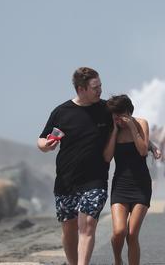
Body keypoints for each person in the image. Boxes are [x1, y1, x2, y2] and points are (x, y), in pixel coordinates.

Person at [37, 67, 112, 265]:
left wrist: (151, 143)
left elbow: (130, 123)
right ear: (81, 89)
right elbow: (41, 140)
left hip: (95, 179)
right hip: (66, 180)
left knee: (87, 225)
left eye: (100, 86)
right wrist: (46, 145)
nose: (100, 90)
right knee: (69, 229)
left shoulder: (106, 110)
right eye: (95, 87)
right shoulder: (62, 112)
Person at [103, 95, 152, 265]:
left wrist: (132, 127)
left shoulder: (141, 123)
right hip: (120, 184)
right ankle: (118, 260)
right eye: (115, 116)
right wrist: (115, 131)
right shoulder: (112, 129)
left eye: (121, 115)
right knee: (119, 231)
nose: (119, 119)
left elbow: (143, 151)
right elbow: (107, 157)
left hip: (141, 184)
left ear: (129, 112)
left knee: (132, 234)